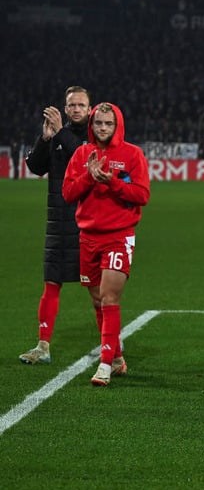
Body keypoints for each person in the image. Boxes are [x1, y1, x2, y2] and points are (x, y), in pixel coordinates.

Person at [62, 102, 150, 386]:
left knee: (110, 297)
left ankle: (104, 363)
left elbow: (141, 194)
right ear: (92, 124)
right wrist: (89, 176)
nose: (102, 128)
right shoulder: (82, 154)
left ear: (117, 125)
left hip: (118, 235)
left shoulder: (132, 154)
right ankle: (118, 358)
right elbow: (67, 193)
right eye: (98, 123)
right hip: (88, 237)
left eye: (108, 124)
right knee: (97, 300)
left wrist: (112, 182)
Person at [19, 87, 92, 365]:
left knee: (97, 288)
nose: (75, 109)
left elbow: (85, 157)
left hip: (88, 221)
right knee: (51, 284)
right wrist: (45, 139)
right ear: (65, 107)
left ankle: (111, 344)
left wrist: (60, 132)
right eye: (71, 105)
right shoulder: (56, 135)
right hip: (58, 222)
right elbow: (36, 168)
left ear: (89, 107)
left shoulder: (94, 133)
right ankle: (43, 345)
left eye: (80, 105)